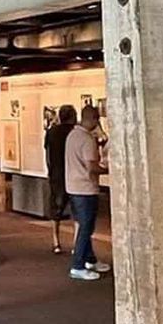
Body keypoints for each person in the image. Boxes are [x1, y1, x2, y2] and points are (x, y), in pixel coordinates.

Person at [64, 104, 110, 282]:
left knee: (84, 225)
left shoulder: (72, 136)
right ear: (91, 119)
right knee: (86, 227)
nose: (98, 123)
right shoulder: (87, 139)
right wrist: (108, 169)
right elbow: (91, 167)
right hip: (85, 189)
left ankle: (89, 259)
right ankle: (78, 265)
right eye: (96, 119)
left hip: (73, 187)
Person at [44, 105, 77, 254]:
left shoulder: (51, 132)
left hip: (56, 174)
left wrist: (49, 170)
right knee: (77, 208)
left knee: (56, 208)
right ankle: (76, 243)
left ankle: (56, 241)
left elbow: (48, 154)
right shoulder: (74, 132)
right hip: (73, 173)